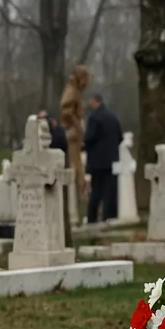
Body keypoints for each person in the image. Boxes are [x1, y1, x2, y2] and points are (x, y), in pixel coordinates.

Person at [83, 94, 123, 223]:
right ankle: (110, 215)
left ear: (95, 101)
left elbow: (89, 138)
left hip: (97, 161)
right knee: (111, 191)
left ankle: (92, 218)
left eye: (90, 102)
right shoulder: (113, 117)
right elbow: (120, 137)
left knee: (96, 192)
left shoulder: (94, 118)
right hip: (112, 160)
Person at [59, 65, 90, 216]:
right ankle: (75, 204)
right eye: (85, 80)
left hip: (76, 135)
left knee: (78, 168)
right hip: (72, 134)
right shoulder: (71, 91)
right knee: (74, 168)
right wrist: (78, 126)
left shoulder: (76, 91)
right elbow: (67, 110)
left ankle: (79, 201)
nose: (86, 84)